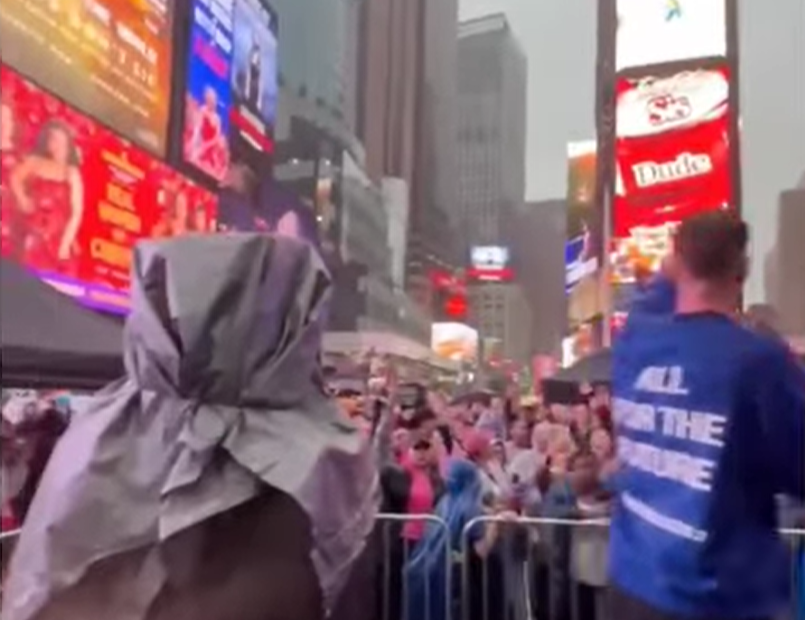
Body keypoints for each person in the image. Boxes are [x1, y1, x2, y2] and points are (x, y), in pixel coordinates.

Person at [607, 212, 805, 620]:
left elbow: (655, 292)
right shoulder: (759, 363)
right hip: (715, 600)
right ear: (742, 272)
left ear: (677, 263)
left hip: (630, 582)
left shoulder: (636, 339)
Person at [10, 120, 84, 272]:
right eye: (53, 139)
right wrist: (22, 197)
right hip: (33, 234)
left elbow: (77, 212)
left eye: (60, 140)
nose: (57, 145)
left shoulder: (71, 173)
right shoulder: (35, 162)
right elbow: (14, 178)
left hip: (59, 238)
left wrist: (65, 243)